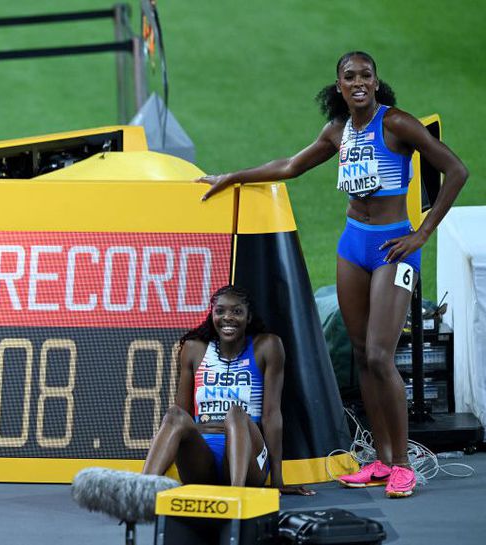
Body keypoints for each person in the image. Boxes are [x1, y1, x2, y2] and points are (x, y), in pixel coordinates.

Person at [198, 51, 468, 498]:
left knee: (382, 356)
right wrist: (231, 177)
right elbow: (289, 166)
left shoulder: (396, 124)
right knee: (362, 354)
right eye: (350, 77)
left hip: (393, 247)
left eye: (366, 75)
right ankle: (380, 460)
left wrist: (421, 234)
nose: (358, 82)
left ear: (376, 84)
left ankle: (403, 464)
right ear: (338, 87)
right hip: (352, 246)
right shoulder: (338, 131)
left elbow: (456, 169)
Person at [143, 286, 313, 495]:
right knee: (174, 415)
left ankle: (236, 496)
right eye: (220, 311)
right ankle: (138, 491)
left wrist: (277, 480)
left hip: (248, 456)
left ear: (248, 317)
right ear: (212, 314)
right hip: (202, 458)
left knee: (235, 413)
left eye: (237, 311)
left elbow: (271, 415)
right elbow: (182, 413)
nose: (228, 318)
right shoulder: (194, 349)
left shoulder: (267, 346)